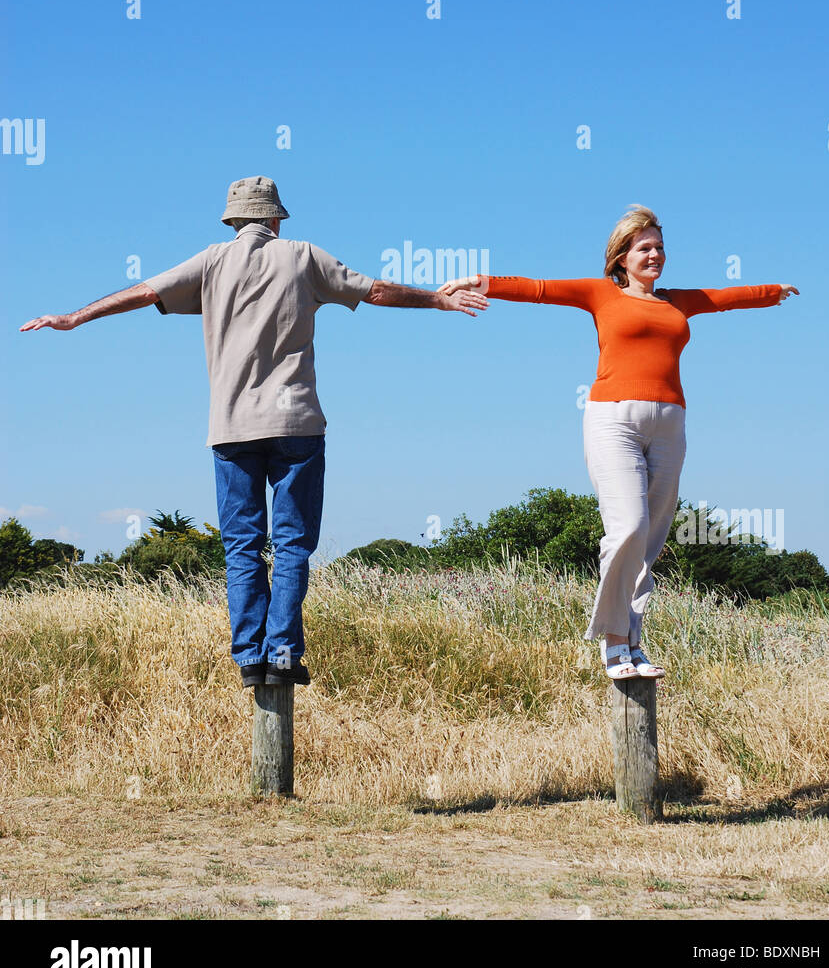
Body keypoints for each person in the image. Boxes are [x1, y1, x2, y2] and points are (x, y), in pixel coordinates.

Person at [20, 175, 487, 689]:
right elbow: (374, 290)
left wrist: (73, 318)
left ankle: (249, 656)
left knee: (242, 546)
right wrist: (437, 300)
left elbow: (141, 292)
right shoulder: (303, 256)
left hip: (231, 427)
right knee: (291, 545)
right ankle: (283, 651)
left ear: (232, 219)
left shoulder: (211, 262)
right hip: (297, 426)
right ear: (275, 218)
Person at [439, 204, 798, 680]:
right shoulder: (601, 295)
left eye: (660, 247)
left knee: (649, 539)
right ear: (622, 256)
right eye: (645, 247)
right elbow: (538, 289)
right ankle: (612, 642)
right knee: (627, 526)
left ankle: (633, 638)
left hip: (670, 423)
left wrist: (774, 292)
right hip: (613, 420)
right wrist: (477, 281)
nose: (656, 255)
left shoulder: (676, 302)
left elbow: (726, 297)